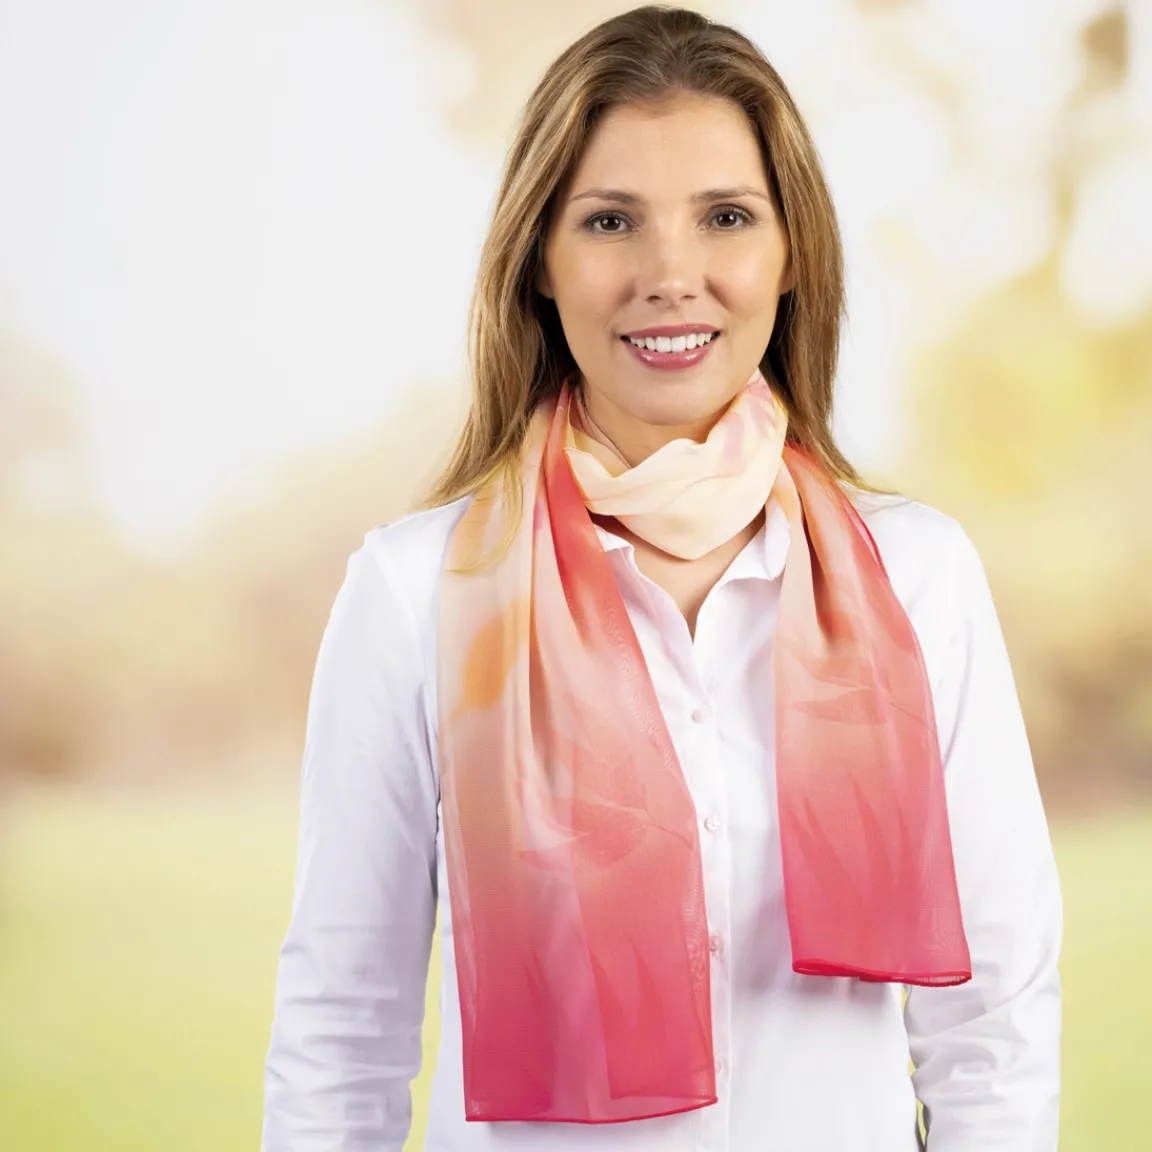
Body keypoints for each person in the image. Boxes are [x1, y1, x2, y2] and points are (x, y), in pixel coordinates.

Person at [261, 7, 1062, 1150]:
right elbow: (344, 1026)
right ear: (540, 262)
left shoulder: (918, 575)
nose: (670, 275)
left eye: (725, 217)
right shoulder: (414, 589)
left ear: (791, 254)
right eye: (610, 221)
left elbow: (995, 1019)